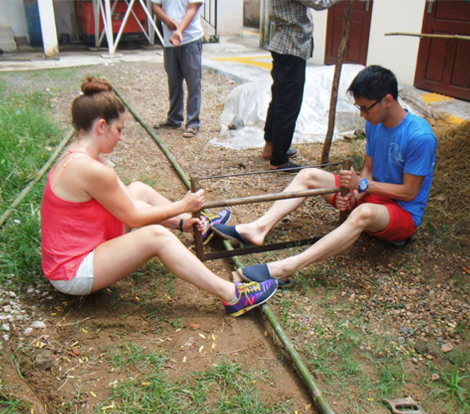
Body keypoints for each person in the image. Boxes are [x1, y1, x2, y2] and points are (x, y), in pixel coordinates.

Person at [40, 77, 278, 316]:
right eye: (119, 129)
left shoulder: (84, 155)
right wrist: (182, 205)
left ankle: (198, 228)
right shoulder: (90, 169)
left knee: (138, 189)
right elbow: (133, 218)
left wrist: (181, 221)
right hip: (72, 272)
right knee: (156, 237)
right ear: (102, 126)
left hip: (82, 249)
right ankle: (233, 296)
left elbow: (129, 201)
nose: (120, 137)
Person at [212, 65, 437, 284]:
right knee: (308, 175)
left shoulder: (420, 137)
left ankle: (284, 269)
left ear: (387, 100)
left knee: (364, 213)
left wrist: (362, 186)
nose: (362, 115)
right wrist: (354, 195)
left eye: (365, 108)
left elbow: (409, 192)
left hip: (401, 213)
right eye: (359, 108)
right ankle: (258, 229)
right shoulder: (374, 124)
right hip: (372, 196)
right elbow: (369, 171)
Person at [263, 0, 340, 172]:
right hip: (291, 47)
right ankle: (279, 160)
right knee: (288, 105)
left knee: (279, 101)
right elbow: (320, 2)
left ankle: (271, 147)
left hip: (285, 45)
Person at [152, 0, 203, 139]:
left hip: (190, 39)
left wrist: (180, 30)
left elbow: (193, 7)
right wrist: (166, 19)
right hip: (169, 41)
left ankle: (193, 122)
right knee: (173, 81)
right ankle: (174, 118)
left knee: (193, 83)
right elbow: (156, 5)